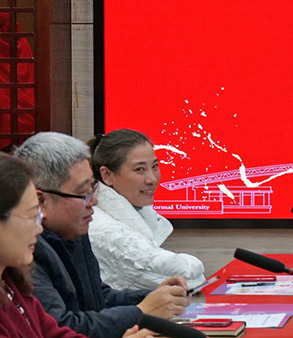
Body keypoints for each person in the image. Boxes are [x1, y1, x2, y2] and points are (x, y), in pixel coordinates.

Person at [14, 133, 189, 338]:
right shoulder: (26, 252)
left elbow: (98, 298)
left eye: (93, 188)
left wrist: (153, 297)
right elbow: (63, 328)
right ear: (40, 201)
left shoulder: (75, 230)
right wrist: (141, 311)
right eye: (83, 193)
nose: (94, 201)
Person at [0, 153, 156, 338]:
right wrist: (141, 310)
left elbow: (56, 334)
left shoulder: (12, 282)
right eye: (32, 215)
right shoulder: (29, 263)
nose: (38, 228)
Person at [87, 130, 206, 289]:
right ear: (107, 175)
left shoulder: (128, 214)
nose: (152, 179)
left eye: (155, 166)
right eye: (140, 169)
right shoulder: (107, 231)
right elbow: (186, 278)